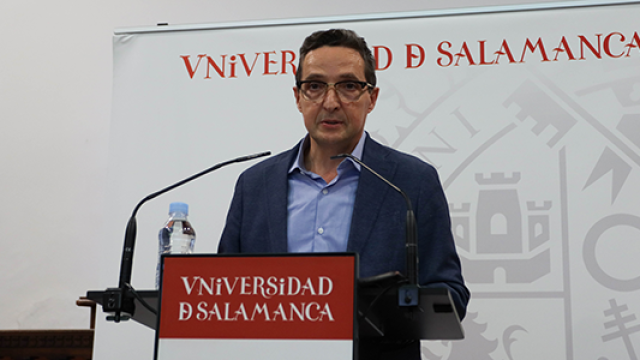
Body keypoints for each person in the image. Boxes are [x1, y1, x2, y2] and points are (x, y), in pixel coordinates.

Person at [218, 29, 469, 359]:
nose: (331, 101)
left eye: (349, 86)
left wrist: (377, 304)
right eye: (315, 86)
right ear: (298, 97)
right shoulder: (254, 185)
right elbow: (221, 292)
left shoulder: (412, 182)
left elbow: (449, 294)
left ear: (372, 98)